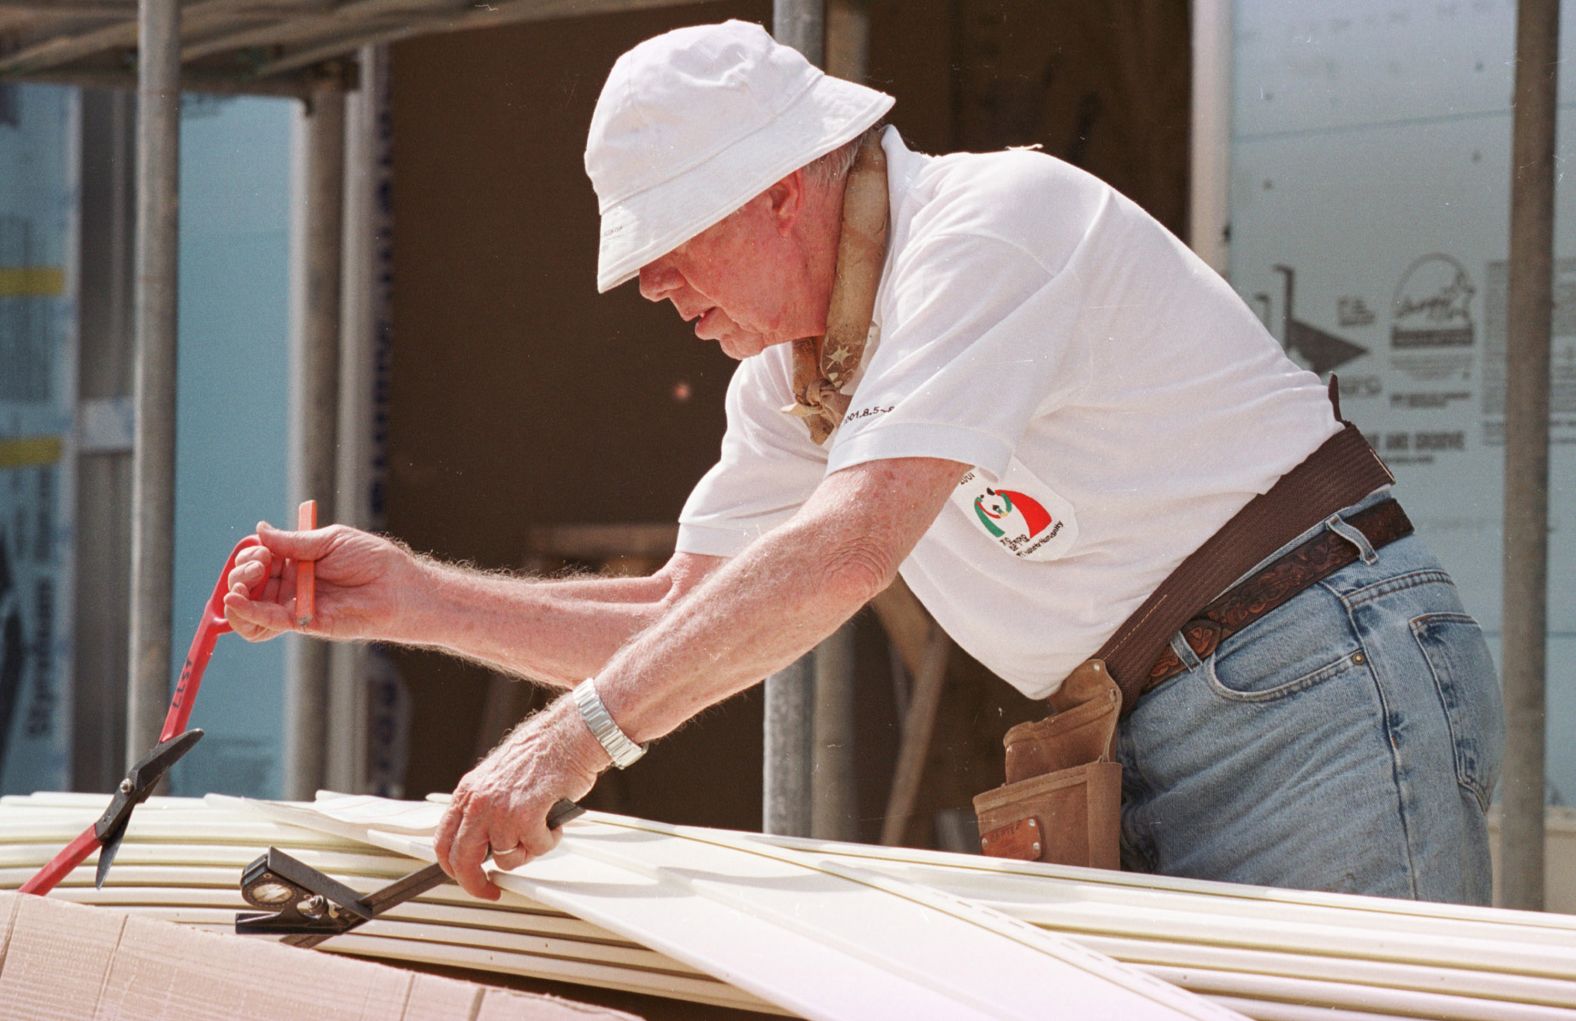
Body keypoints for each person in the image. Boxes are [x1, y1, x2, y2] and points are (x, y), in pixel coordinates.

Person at [224, 20, 1503, 905]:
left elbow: (848, 544)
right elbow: (689, 616)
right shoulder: (794, 380)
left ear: (782, 190)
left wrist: (568, 747)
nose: (656, 288)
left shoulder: (994, 223)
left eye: (671, 243)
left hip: (1315, 675)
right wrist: (408, 597)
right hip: (1176, 706)